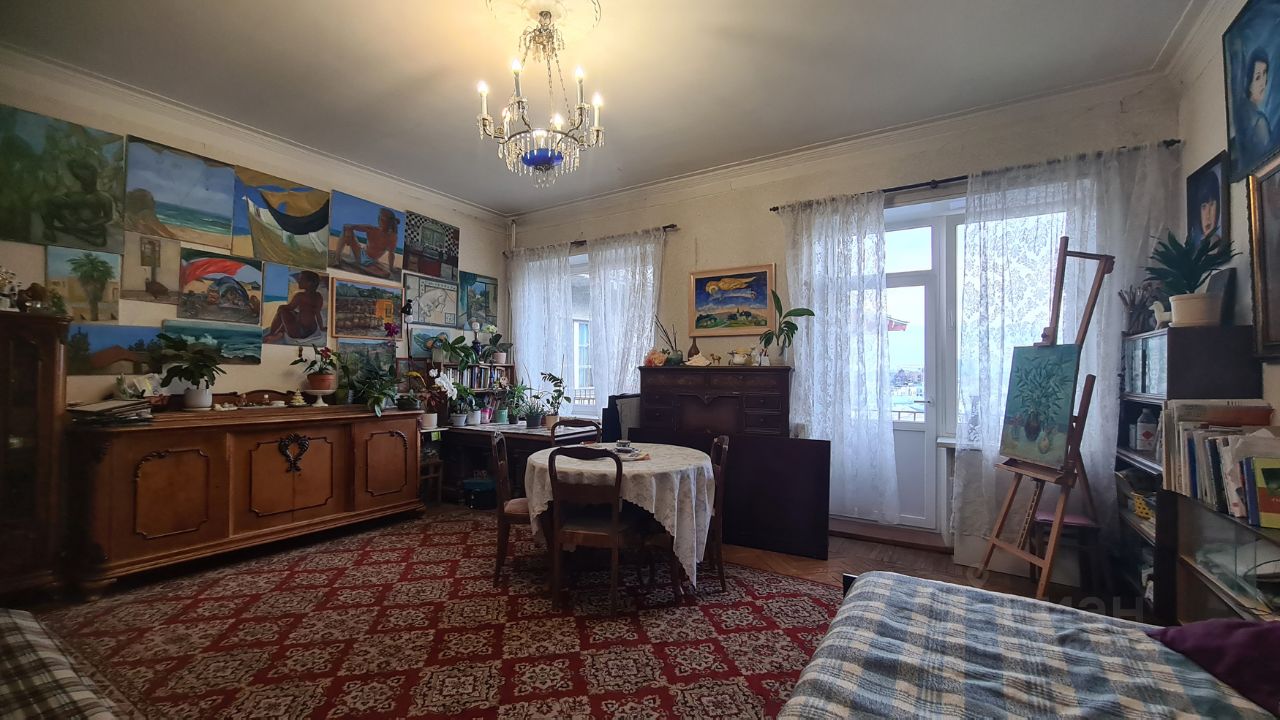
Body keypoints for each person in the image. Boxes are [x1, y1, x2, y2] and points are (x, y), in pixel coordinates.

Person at [40, 158, 114, 246]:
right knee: (47, 202)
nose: (85, 182)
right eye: (82, 180)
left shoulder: (103, 198)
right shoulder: (73, 194)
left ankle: (74, 231)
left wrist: (89, 224)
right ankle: (49, 230)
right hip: (73, 223)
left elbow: (108, 217)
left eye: (87, 180)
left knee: (99, 239)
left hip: (88, 226)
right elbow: (59, 203)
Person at [336, 207, 400, 277]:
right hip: (359, 254)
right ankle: (337, 258)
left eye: (382, 219)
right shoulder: (372, 229)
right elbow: (348, 226)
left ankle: (359, 265)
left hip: (371, 261)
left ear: (389, 222)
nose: (379, 220)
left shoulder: (393, 237)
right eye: (379, 217)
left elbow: (391, 254)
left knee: (386, 274)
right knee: (346, 229)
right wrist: (348, 234)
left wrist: (391, 268)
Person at [264, 270, 325, 343]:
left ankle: (272, 333)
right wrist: (321, 327)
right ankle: (279, 334)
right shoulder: (318, 296)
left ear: (309, 283)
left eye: (301, 279)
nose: (298, 281)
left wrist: (281, 306)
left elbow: (290, 307)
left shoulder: (300, 296)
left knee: (282, 310)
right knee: (294, 314)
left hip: (299, 332)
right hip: (312, 330)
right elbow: (317, 313)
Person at [1238, 47, 1274, 164]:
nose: (1263, 83)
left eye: (1265, 73)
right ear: (1249, 83)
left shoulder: (1245, 114)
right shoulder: (1259, 122)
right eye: (1258, 77)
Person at [1189, 170, 1222, 247]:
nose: (1207, 215)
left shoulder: (1220, 245)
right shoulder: (1196, 249)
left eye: (1211, 204)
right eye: (1204, 207)